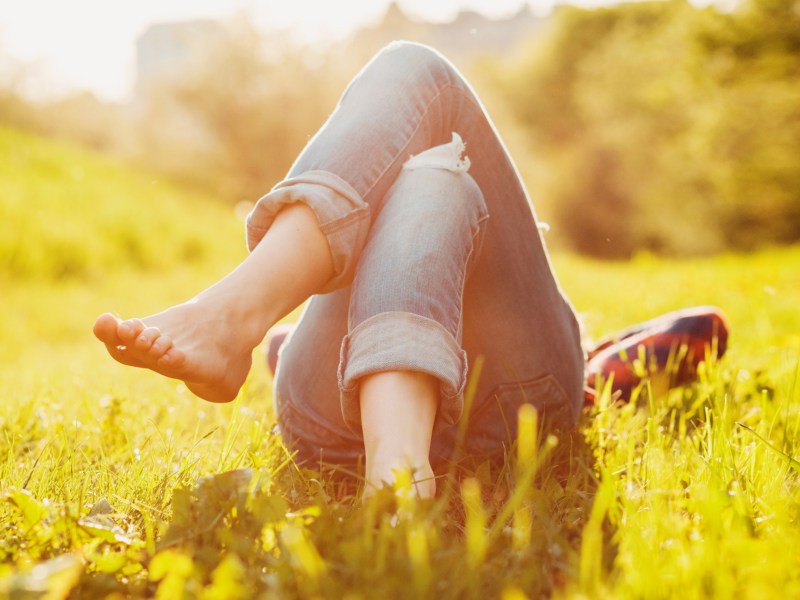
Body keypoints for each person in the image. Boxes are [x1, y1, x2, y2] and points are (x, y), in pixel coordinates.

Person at [93, 42, 724, 499]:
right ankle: (393, 467)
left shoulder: (597, 365)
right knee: (433, 159)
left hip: (332, 423)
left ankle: (245, 322)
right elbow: (704, 327)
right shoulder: (583, 361)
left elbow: (702, 328)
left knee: (432, 175)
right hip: (503, 409)